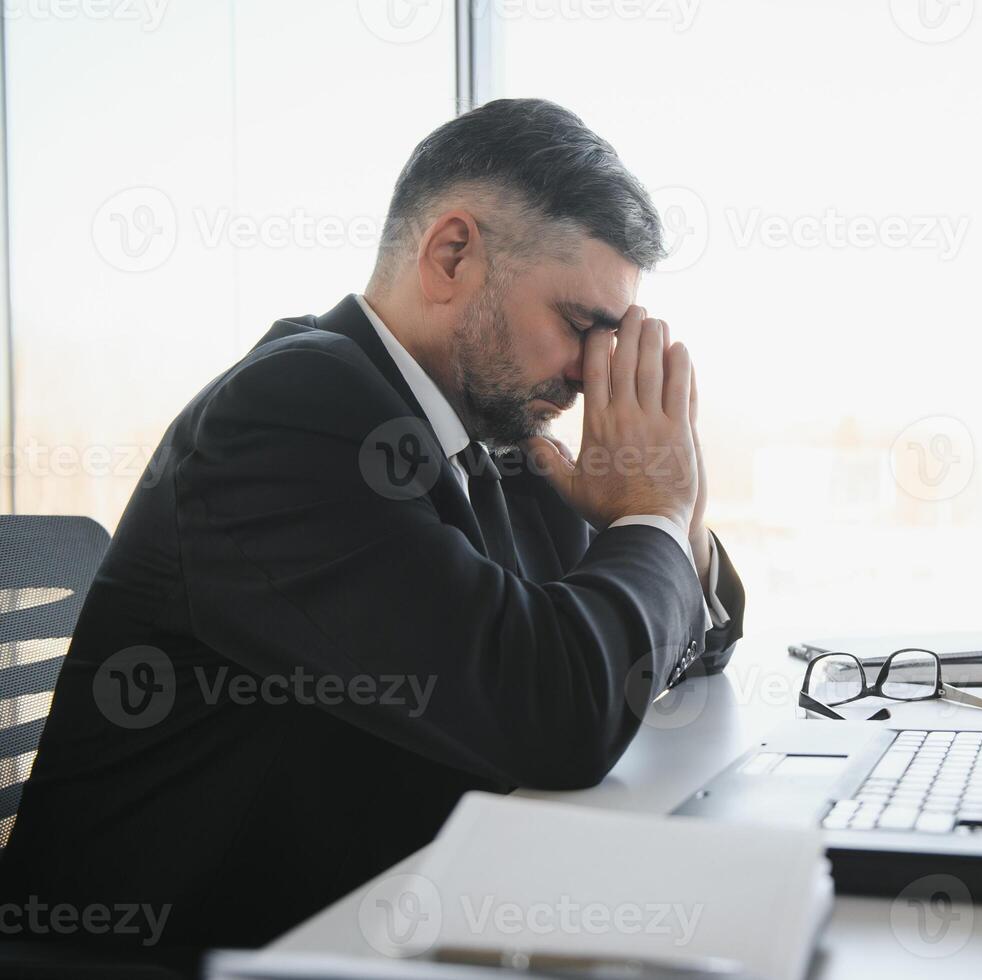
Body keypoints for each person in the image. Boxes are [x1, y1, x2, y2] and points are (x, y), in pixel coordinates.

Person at [0, 98, 744, 953]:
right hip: (184, 951)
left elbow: (631, 654)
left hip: (373, 909)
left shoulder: (495, 432)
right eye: (580, 327)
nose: (589, 373)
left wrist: (675, 525)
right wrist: (653, 514)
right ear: (451, 254)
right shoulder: (291, 416)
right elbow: (557, 715)